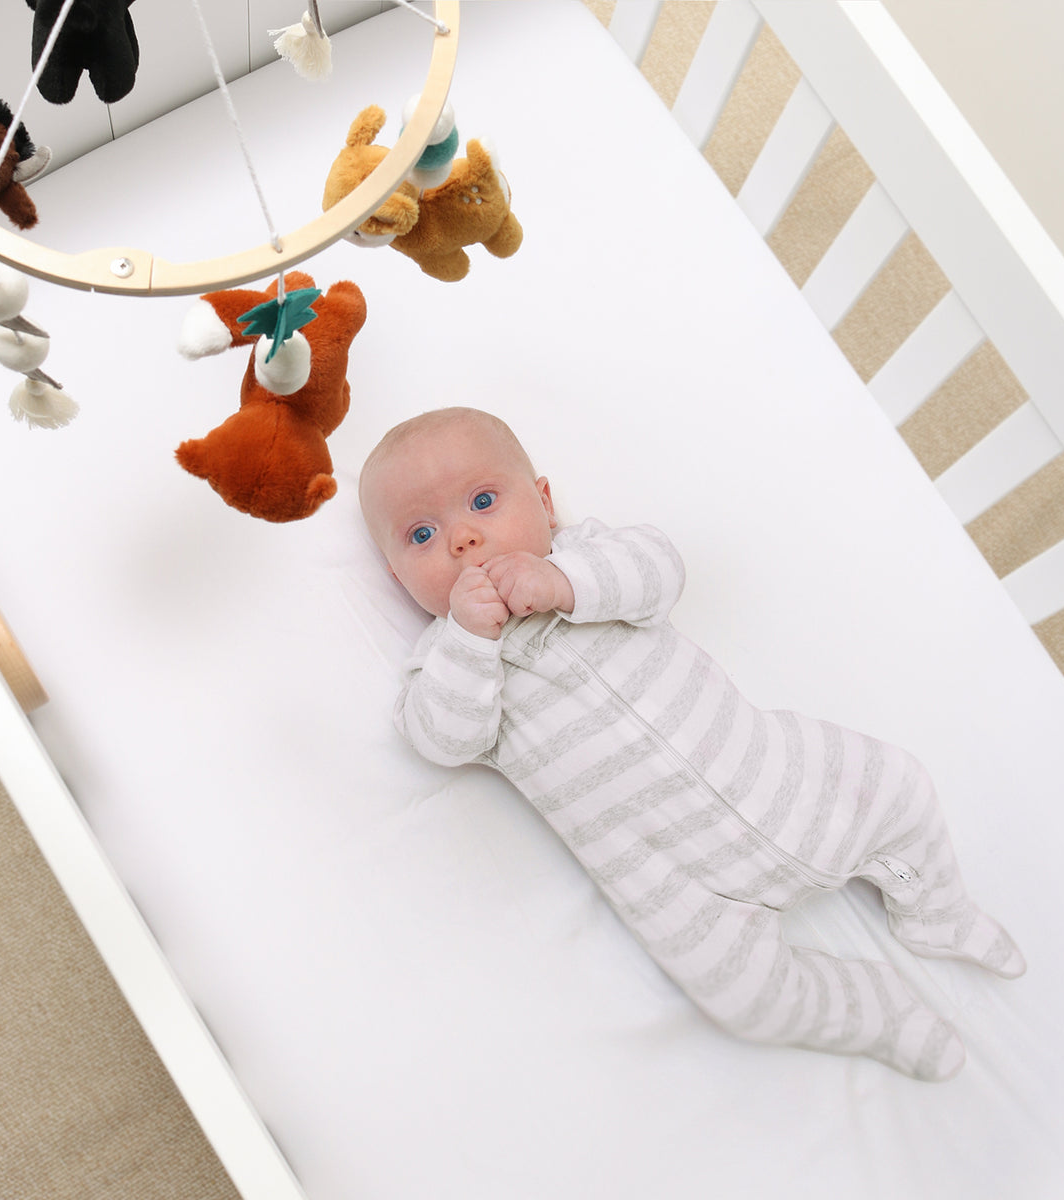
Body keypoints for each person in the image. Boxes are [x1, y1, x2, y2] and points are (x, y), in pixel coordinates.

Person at [358, 406, 1025, 1082]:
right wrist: (471, 640)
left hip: (779, 776)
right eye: (422, 533)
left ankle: (927, 904)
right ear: (396, 577)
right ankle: (877, 1013)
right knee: (749, 1002)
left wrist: (562, 584)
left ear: (546, 502)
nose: (464, 539)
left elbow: (661, 570)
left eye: (482, 501)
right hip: (676, 884)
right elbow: (442, 737)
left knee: (897, 792)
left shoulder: (589, 558)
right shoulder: (443, 662)